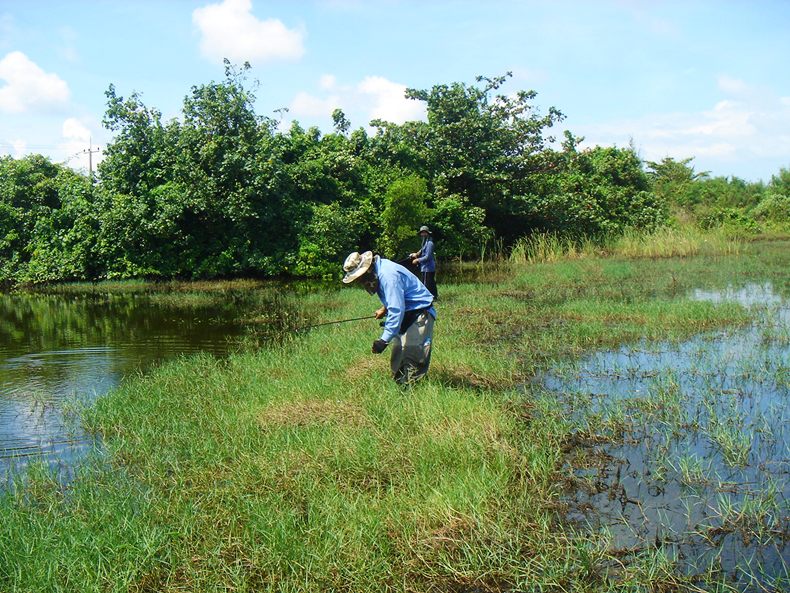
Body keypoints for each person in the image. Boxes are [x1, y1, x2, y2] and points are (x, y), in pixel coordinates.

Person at [342, 251, 436, 384]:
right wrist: (383, 309)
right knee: (398, 358)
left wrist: (383, 340)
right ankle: (399, 390)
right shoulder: (379, 270)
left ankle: (413, 394)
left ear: (367, 270)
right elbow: (396, 297)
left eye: (360, 277)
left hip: (419, 314)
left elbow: (397, 309)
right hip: (406, 314)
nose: (359, 281)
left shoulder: (388, 275)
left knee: (413, 358)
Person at [409, 225, 437, 299]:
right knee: (430, 283)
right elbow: (422, 250)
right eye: (422, 233)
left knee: (427, 284)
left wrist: (417, 260)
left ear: (428, 233)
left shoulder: (430, 243)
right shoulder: (425, 242)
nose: (423, 234)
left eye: (424, 232)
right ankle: (434, 297)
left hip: (428, 268)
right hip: (425, 267)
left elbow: (428, 257)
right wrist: (416, 254)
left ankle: (430, 298)